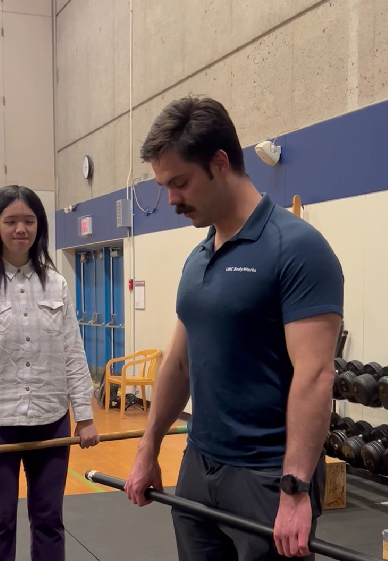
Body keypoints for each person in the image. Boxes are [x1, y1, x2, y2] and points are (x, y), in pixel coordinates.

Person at [124, 97, 344, 561]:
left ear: (220, 162)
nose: (172, 200)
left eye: (180, 182)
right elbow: (179, 362)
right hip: (199, 466)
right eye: (164, 185)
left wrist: (295, 490)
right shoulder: (198, 256)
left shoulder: (296, 248)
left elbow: (316, 374)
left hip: (267, 476)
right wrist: (148, 448)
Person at [0, 185, 99, 561]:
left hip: (50, 420)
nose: (20, 229)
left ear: (39, 226)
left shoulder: (56, 283)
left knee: (49, 520)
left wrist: (85, 416)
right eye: (11, 221)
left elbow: (73, 353)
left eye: (28, 221)